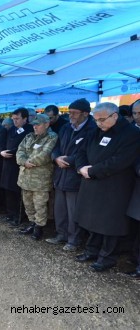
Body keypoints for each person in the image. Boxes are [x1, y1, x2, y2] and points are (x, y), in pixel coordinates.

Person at [74, 102, 140, 272]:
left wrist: (93, 171)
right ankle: (91, 250)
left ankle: (107, 257)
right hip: (92, 182)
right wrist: (81, 168)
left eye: (102, 120)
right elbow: (80, 152)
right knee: (92, 219)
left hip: (115, 187)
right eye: (96, 120)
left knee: (111, 224)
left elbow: (119, 161)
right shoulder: (96, 131)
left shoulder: (131, 134)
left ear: (115, 116)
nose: (99, 123)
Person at [46, 98, 96, 251]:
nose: (71, 116)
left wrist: (67, 160)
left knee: (73, 210)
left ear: (86, 114)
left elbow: (88, 153)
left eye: (75, 113)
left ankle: (74, 240)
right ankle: (61, 234)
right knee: (59, 208)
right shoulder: (66, 128)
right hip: (60, 174)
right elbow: (56, 147)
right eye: (69, 113)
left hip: (75, 176)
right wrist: (56, 158)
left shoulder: (92, 130)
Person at [16, 114, 58, 240]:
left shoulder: (52, 137)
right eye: (33, 124)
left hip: (40, 180)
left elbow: (45, 154)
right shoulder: (29, 136)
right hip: (25, 178)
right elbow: (19, 151)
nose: (34, 127)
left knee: (40, 205)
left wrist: (28, 162)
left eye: (37, 124)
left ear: (46, 124)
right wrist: (23, 162)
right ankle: (32, 223)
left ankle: (39, 228)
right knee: (28, 204)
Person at [0, 108, 33, 226]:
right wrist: (2, 151)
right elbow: (3, 143)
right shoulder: (11, 130)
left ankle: (19, 216)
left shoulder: (30, 130)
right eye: (13, 119)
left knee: (17, 192)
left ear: (25, 118)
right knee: (8, 190)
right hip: (7, 164)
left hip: (18, 165)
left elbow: (23, 148)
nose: (15, 121)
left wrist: (10, 152)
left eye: (17, 119)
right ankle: (10, 214)